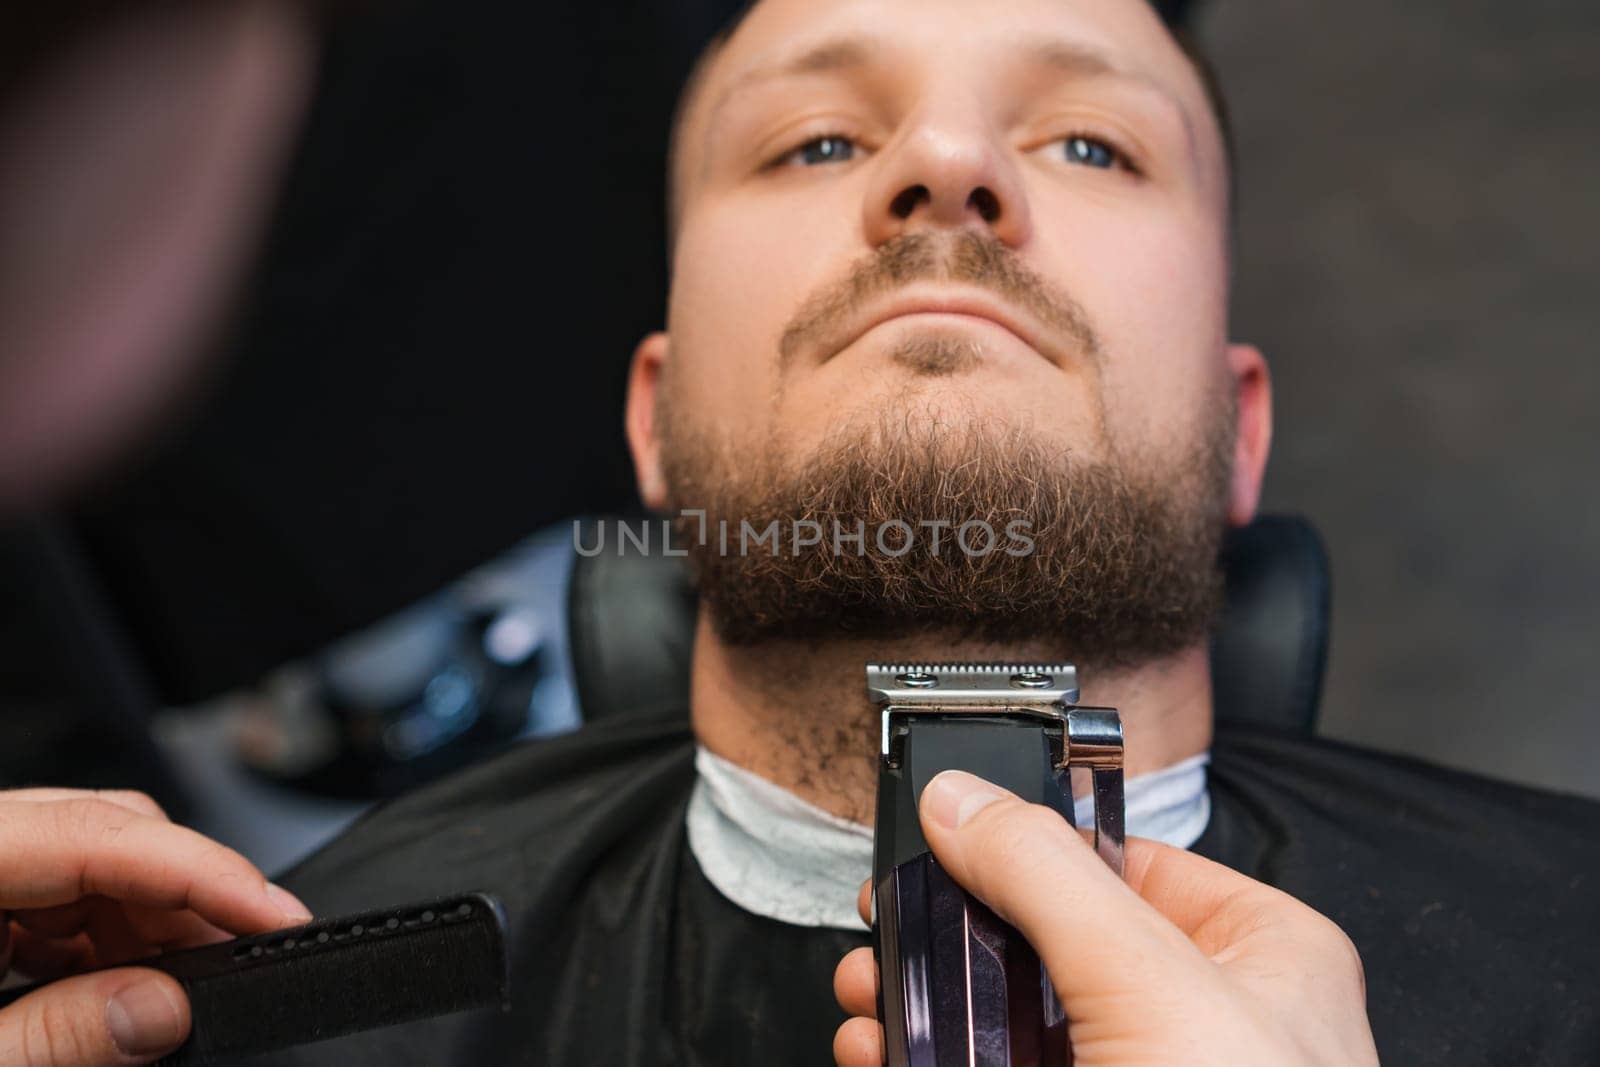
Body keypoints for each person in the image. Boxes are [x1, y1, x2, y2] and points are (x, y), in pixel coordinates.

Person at [2, 0, 1598, 1064]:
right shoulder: (258, 1026)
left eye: (1092, 143)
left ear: (1241, 429)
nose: (947, 170)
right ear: (655, 421)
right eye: (817, 143)